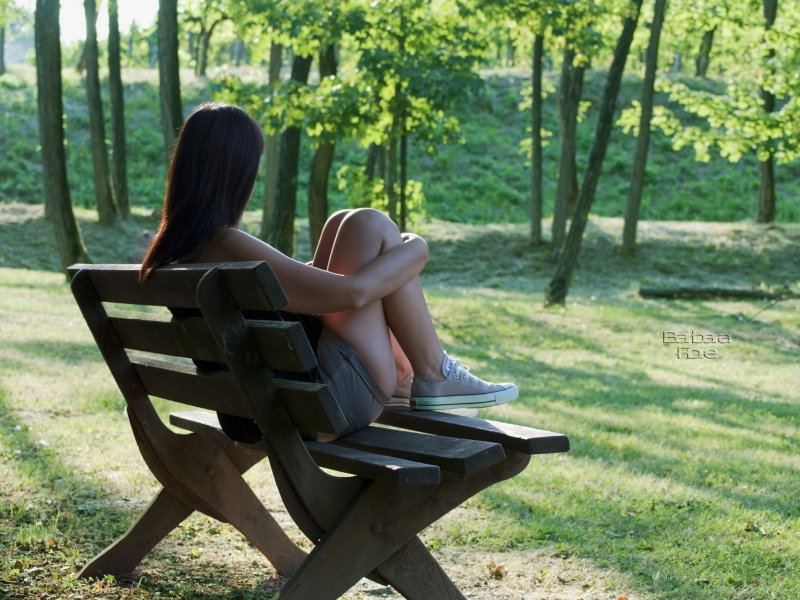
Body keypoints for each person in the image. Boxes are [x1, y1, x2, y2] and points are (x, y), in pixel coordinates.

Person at [139, 102, 517, 439]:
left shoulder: (182, 250)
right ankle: (433, 374)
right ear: (238, 171)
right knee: (370, 226)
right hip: (316, 406)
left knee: (343, 224)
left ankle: (416, 376)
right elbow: (351, 293)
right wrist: (416, 248)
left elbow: (294, 292)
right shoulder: (224, 243)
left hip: (260, 409)